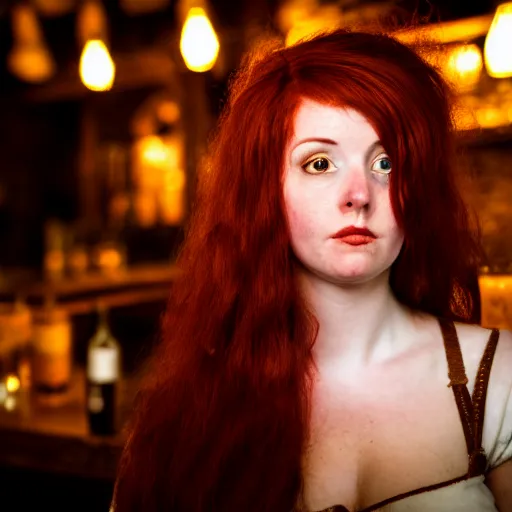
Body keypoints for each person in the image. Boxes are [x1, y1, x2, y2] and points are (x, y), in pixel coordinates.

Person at [111, 28, 512, 511]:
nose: (358, 194)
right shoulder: (186, 406)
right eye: (319, 163)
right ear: (266, 191)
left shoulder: (499, 377)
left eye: (388, 162)